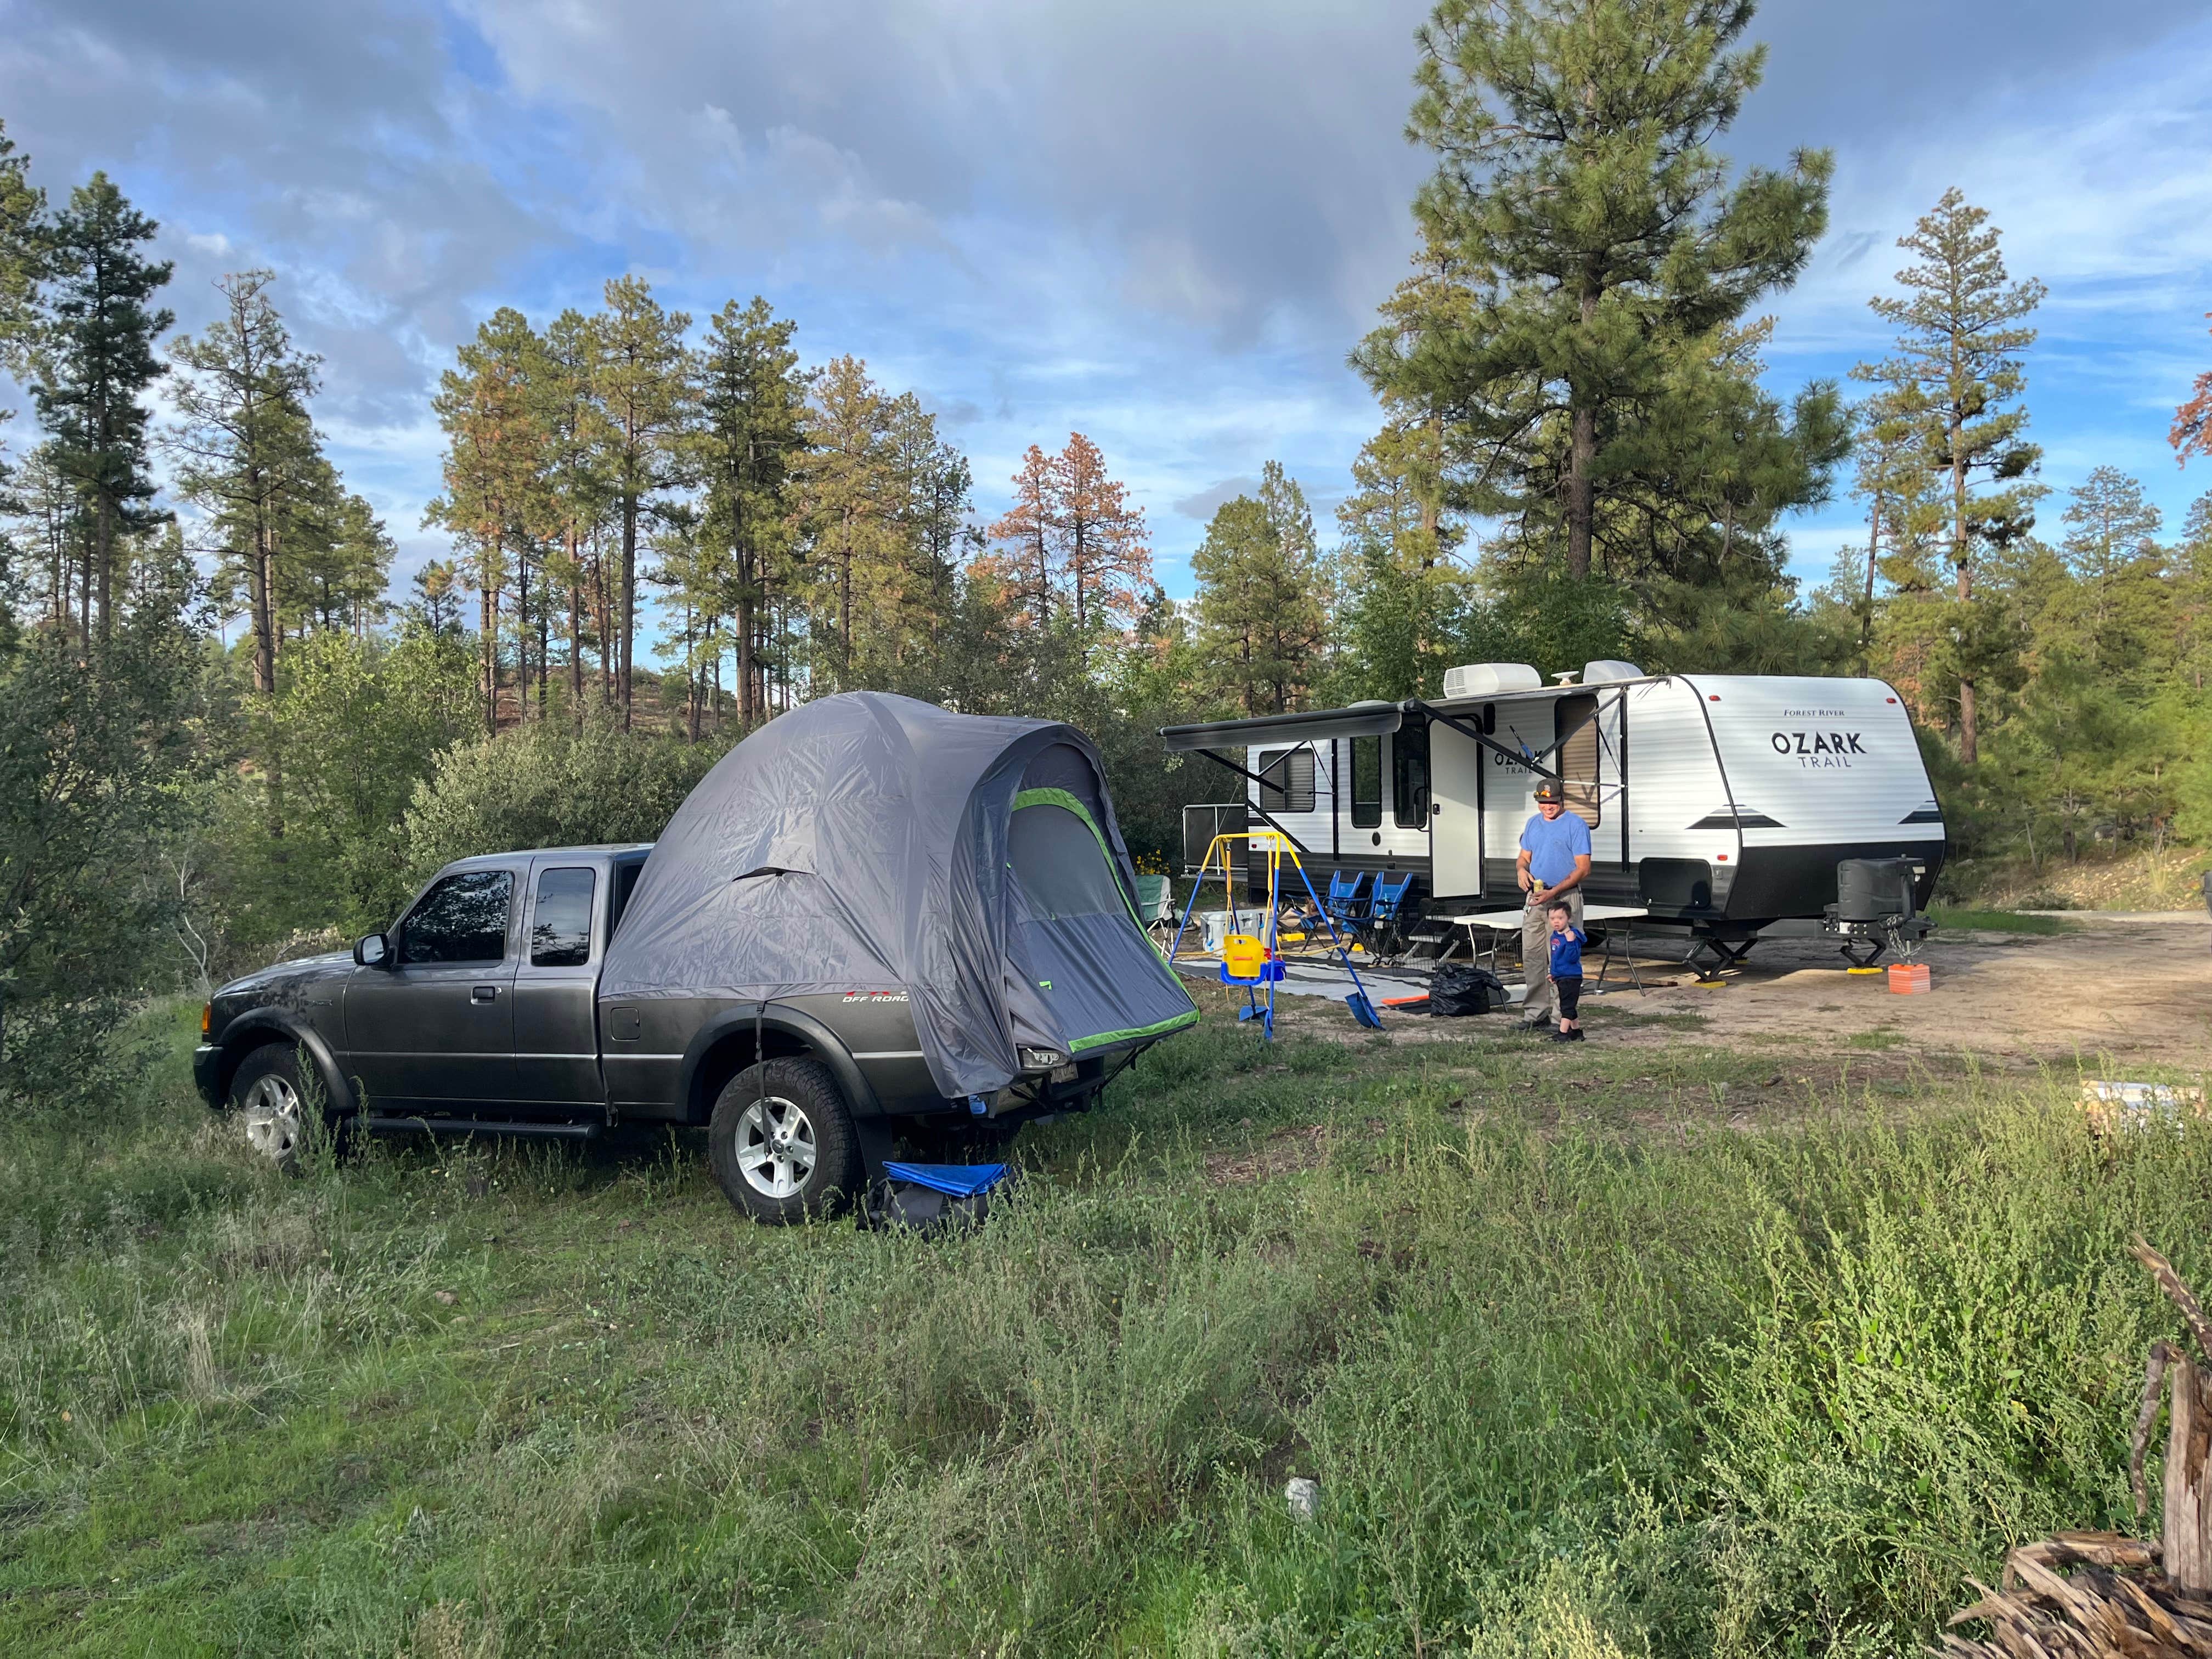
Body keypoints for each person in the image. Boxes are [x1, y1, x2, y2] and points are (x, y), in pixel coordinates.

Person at [1516, 780, 1592, 1029]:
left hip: (1563, 896)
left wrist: (1554, 893)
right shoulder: (1533, 824)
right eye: (1543, 802)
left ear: (1561, 801)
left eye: (1552, 801)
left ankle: (1562, 1018)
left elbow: (1583, 869)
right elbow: (1524, 857)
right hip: (1537, 896)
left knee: (1561, 958)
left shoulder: (1576, 825)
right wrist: (1520, 871)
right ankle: (1535, 1014)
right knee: (1533, 955)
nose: (1548, 806)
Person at [1547, 900, 1587, 1042]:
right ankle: (1576, 1032)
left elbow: (1572, 958)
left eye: (1560, 918)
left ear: (1568, 919)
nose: (1556, 922)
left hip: (1572, 977)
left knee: (1566, 1007)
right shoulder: (1555, 936)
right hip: (1561, 976)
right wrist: (1554, 973)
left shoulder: (1572, 936)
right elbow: (1556, 958)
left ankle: (1563, 1034)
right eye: (1552, 919)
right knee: (1569, 1004)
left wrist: (1570, 942)